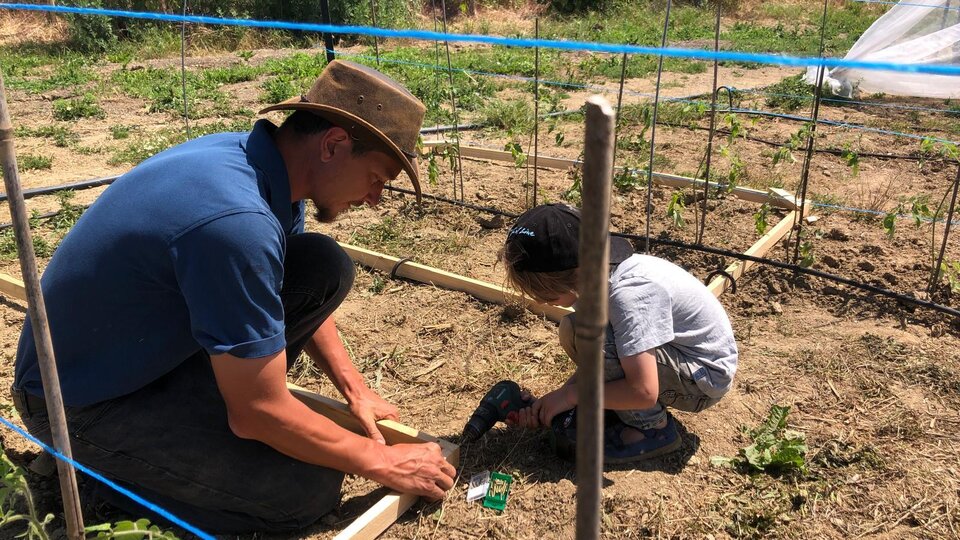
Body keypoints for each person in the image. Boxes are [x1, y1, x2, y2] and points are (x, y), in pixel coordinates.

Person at [10, 60, 456, 533]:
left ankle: (186, 422)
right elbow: (256, 413)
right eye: (377, 178)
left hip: (134, 358)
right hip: (78, 402)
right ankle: (100, 473)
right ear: (333, 145)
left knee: (323, 265)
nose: (375, 199)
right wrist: (380, 460)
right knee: (305, 492)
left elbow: (275, 280)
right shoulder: (236, 221)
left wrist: (355, 390)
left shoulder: (264, 170)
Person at [499, 204, 738, 463]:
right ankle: (620, 406)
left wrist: (572, 396)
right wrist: (556, 400)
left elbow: (643, 391)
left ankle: (653, 430)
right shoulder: (598, 275)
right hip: (676, 359)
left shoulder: (630, 295)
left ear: (575, 277)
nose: (543, 303)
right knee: (575, 328)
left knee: (597, 340)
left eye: (547, 295)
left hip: (702, 380)